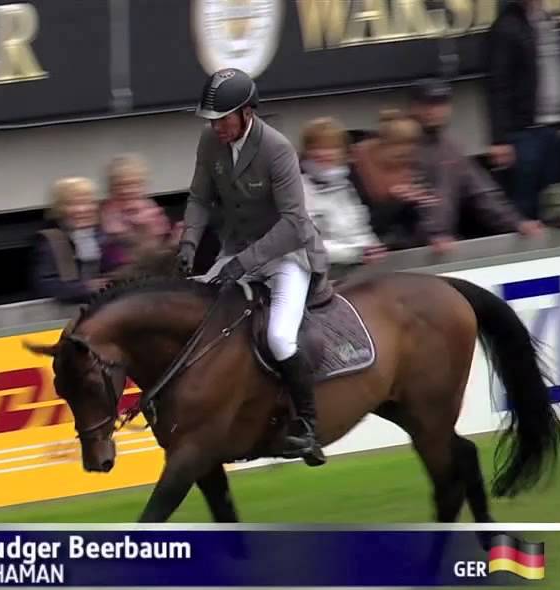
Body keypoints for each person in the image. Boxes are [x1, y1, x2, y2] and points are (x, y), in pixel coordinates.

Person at [177, 67, 329, 466]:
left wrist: (241, 263)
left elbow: (295, 224)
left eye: (223, 118)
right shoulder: (210, 143)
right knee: (198, 313)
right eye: (211, 120)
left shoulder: (276, 149)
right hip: (237, 250)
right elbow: (198, 198)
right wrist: (189, 242)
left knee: (280, 338)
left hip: (287, 256)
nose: (216, 127)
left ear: (247, 112)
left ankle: (309, 428)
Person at [407, 78, 544, 245]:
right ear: (413, 107)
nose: (435, 110)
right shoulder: (402, 147)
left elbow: (482, 193)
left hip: (442, 244)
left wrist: (517, 223)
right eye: (427, 104)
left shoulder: (451, 149)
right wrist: (430, 235)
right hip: (407, 246)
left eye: (441, 104)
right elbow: (404, 205)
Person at [486, 0, 560, 219]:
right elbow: (498, 85)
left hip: (558, 126)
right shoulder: (505, 27)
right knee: (525, 206)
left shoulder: (550, 21)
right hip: (525, 132)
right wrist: (499, 139)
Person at [299, 117, 384, 271]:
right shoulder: (299, 189)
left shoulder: (346, 186)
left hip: (355, 271)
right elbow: (307, 245)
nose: (324, 154)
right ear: (308, 152)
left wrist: (372, 245)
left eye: (332, 147)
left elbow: (360, 229)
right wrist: (357, 253)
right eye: (318, 147)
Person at [350, 110, 438, 250]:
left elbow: (416, 220)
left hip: (403, 245)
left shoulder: (411, 166)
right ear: (382, 146)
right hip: (367, 244)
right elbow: (362, 223)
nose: (405, 161)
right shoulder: (355, 170)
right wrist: (394, 201)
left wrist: (418, 203)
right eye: (399, 155)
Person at [33, 177, 124, 303]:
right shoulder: (52, 240)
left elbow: (119, 268)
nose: (83, 210)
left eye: (87, 203)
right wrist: (86, 288)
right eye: (74, 204)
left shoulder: (104, 235)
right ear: (60, 209)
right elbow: (45, 287)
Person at [101, 154, 177, 277]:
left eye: (133, 185)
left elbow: (162, 234)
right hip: (122, 266)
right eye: (121, 185)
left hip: (154, 263)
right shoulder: (110, 212)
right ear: (112, 188)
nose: (127, 190)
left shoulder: (149, 206)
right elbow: (114, 237)